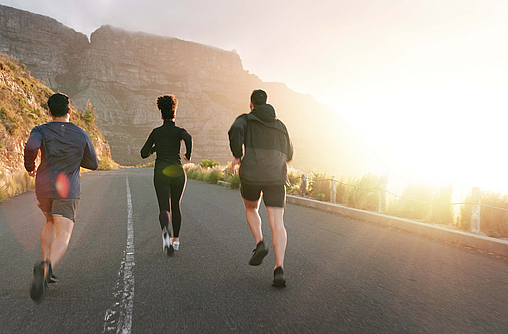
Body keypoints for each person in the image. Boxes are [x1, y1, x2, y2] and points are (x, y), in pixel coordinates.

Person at [24, 93, 99, 302]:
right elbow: (93, 163)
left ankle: (46, 263)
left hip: (44, 186)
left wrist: (30, 166)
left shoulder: (40, 130)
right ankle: (46, 268)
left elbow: (31, 146)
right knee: (64, 232)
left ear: (49, 112)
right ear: (69, 111)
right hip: (68, 190)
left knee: (49, 221)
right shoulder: (81, 134)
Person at [228, 89, 293, 287]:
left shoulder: (246, 119)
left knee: (251, 208)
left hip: (252, 174)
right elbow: (289, 152)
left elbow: (234, 131)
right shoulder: (280, 125)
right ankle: (279, 269)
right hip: (276, 175)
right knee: (277, 222)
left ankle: (259, 243)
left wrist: (238, 156)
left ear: (251, 104)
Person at [141, 94, 192, 256]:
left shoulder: (156, 132)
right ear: (174, 114)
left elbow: (143, 153)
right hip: (177, 171)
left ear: (161, 114)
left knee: (165, 207)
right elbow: (188, 137)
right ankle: (175, 240)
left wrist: (156, 148)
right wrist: (188, 154)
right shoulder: (179, 131)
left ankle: (166, 233)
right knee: (176, 205)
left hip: (161, 171)